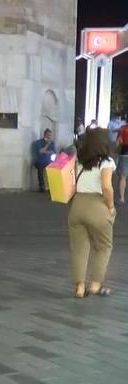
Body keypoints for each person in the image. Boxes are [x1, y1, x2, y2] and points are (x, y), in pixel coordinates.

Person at [70, 127, 116, 298]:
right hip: (97, 205)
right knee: (103, 246)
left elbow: (72, 184)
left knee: (79, 248)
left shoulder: (80, 160)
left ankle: (80, 288)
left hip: (77, 205)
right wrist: (110, 206)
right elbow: (106, 187)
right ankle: (95, 285)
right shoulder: (106, 162)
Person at [116, 120, 128, 205]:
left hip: (124, 154)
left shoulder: (123, 129)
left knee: (123, 177)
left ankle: (122, 198)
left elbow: (118, 143)